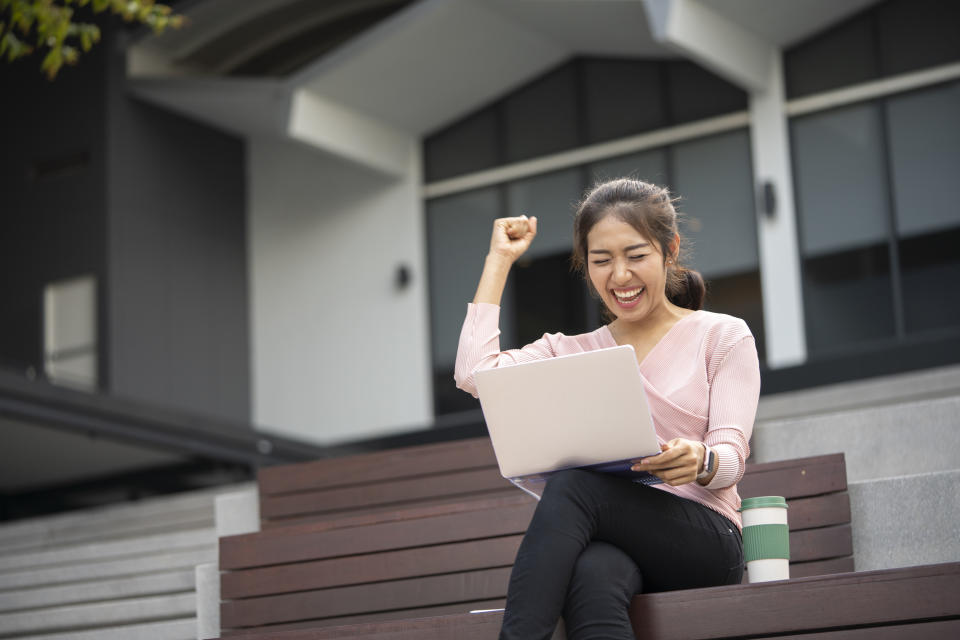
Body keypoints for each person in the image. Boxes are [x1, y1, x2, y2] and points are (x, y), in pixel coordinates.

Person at [453, 178, 761, 640]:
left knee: (575, 485)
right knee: (593, 575)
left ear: (669, 250)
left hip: (705, 539)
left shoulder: (723, 336)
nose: (619, 276)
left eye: (636, 256)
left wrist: (701, 461)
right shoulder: (571, 351)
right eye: (601, 261)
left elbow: (731, 458)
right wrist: (498, 261)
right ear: (586, 266)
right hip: (616, 539)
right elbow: (474, 374)